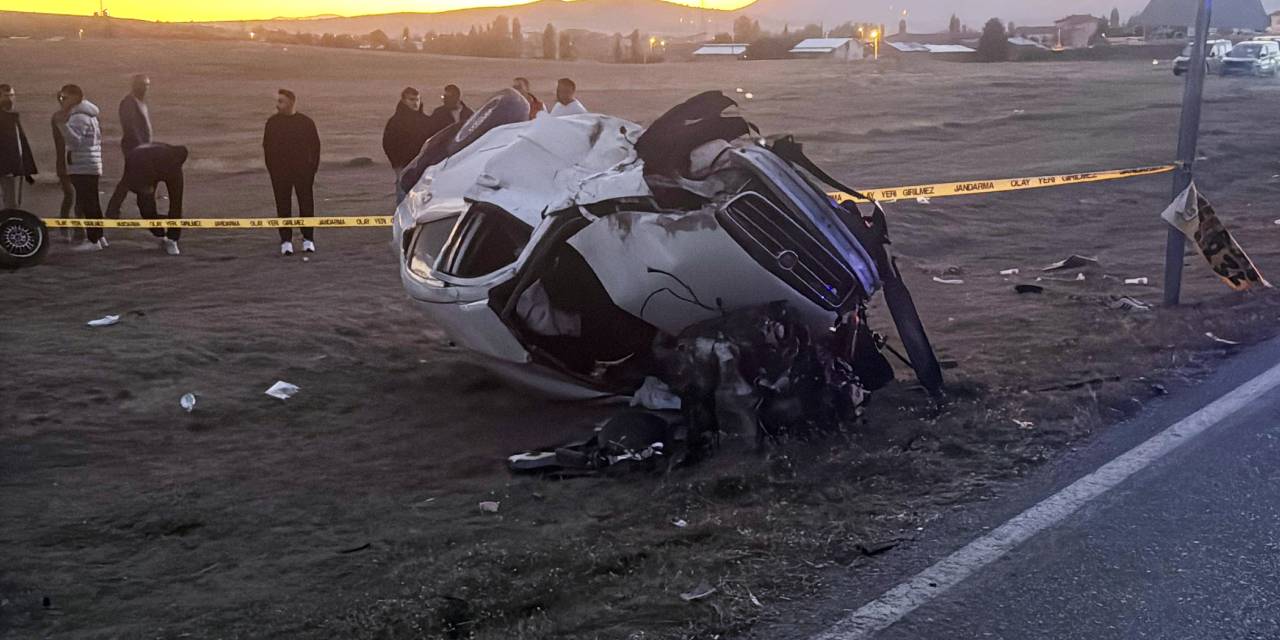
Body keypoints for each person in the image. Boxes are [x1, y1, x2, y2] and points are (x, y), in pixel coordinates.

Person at [263, 88, 320, 256]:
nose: (277, 105)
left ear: (291, 102)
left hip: (303, 171)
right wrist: (272, 170)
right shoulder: (272, 123)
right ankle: (286, 241)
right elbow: (267, 148)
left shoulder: (306, 122)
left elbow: (315, 147)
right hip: (280, 172)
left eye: (281, 101)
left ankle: (308, 239)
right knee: (283, 205)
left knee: (306, 204)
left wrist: (312, 169)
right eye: (278, 101)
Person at [105, 143, 188, 256]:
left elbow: (176, 204)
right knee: (145, 206)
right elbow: (122, 187)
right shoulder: (133, 164)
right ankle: (159, 233)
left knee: (176, 203)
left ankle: (172, 239)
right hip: (145, 161)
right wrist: (113, 209)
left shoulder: (172, 166)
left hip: (167, 163)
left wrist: (112, 209)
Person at [55, 84, 107, 251]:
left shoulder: (78, 117)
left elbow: (74, 141)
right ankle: (99, 237)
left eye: (64, 97)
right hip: (90, 163)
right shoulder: (89, 115)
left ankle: (94, 240)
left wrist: (63, 125)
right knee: (93, 202)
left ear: (75, 97)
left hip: (82, 165)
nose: (62, 101)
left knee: (88, 203)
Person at [382, 87, 432, 200]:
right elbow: (388, 144)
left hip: (423, 167)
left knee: (422, 202)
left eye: (417, 99)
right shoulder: (395, 122)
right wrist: (396, 166)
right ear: (404, 101)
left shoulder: (426, 121)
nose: (415, 103)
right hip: (404, 166)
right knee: (404, 200)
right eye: (412, 99)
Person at [0, 84, 38, 210]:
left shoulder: (12, 117)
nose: (9, 99)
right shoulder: (9, 118)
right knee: (11, 204)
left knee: (11, 202)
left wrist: (25, 170)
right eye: (6, 96)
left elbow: (20, 144)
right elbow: (15, 145)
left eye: (11, 95)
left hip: (9, 167)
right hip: (7, 167)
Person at [51, 90, 82, 242]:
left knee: (75, 197)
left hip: (75, 162)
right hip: (65, 163)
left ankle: (77, 230)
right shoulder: (59, 117)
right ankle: (66, 229)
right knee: (71, 196)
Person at [119, 74, 152, 155]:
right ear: (135, 85)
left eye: (147, 85)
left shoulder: (141, 103)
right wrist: (139, 145)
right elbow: (129, 126)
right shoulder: (129, 102)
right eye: (142, 84)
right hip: (135, 147)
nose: (145, 87)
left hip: (143, 146)